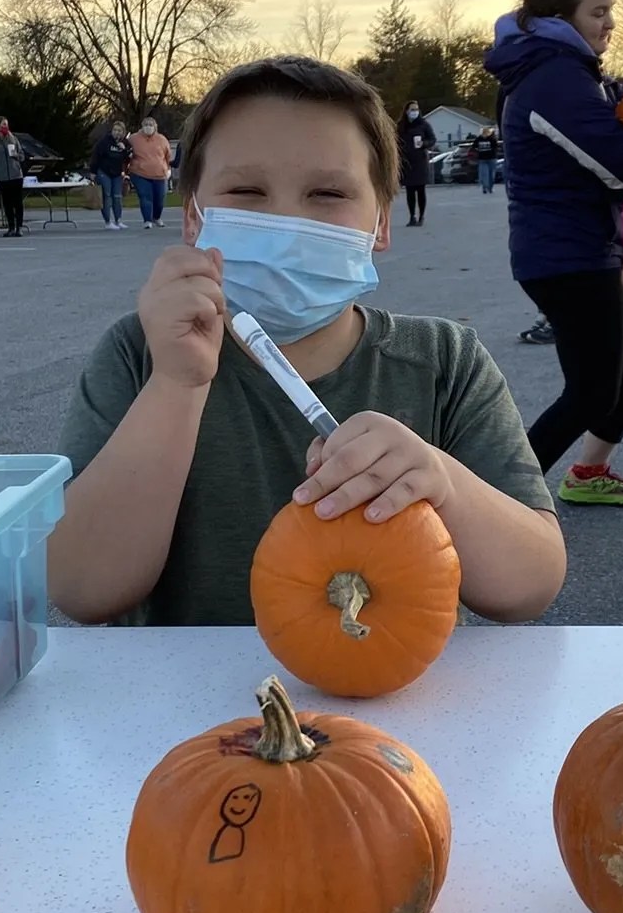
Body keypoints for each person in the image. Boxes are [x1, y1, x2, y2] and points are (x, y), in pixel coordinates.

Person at [49, 55, 566, 626]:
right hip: (180, 709)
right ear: (193, 217)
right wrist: (176, 384)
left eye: (327, 194)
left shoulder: (444, 363)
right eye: (247, 190)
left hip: (390, 701)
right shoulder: (137, 355)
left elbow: (531, 585)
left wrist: (441, 483)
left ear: (381, 224)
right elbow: (81, 589)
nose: (288, 222)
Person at [487, 0, 623, 507]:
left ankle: (587, 473)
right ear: (564, 16)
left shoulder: (566, 69)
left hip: (586, 251)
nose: (609, 23)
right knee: (590, 393)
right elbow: (622, 165)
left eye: (611, 11)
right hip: (569, 259)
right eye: (598, 11)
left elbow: (608, 136)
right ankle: (498, 503)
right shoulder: (554, 77)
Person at [129, 117, 173, 227]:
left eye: (151, 125)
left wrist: (167, 168)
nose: (148, 127)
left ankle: (156, 217)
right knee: (145, 196)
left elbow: (168, 155)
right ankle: (147, 220)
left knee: (160, 199)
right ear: (142, 126)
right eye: (146, 124)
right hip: (140, 173)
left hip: (160, 174)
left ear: (155, 127)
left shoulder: (162, 139)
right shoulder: (133, 139)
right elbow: (126, 153)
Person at [398, 100, 436, 225]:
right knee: (410, 191)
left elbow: (432, 139)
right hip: (407, 162)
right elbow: (395, 140)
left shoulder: (424, 125)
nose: (414, 112)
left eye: (416, 109)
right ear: (406, 111)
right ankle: (412, 216)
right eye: (412, 109)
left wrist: (424, 144)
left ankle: (421, 216)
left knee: (420, 190)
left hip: (420, 161)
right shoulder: (401, 125)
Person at [91, 120, 131, 230]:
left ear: (123, 132)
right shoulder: (105, 141)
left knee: (117, 196)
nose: (117, 133)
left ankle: (118, 220)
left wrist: (124, 150)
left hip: (117, 173)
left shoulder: (125, 143)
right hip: (104, 172)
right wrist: (93, 172)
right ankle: (108, 222)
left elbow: (129, 158)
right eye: (115, 130)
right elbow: (96, 156)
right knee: (106, 196)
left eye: (119, 131)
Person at [471, 127, 500, 194]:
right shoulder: (481, 139)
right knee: (487, 174)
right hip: (486, 159)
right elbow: (473, 147)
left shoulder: (489, 139)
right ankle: (486, 188)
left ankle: (488, 188)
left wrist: (479, 151)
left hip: (488, 158)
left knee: (488, 174)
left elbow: (496, 147)